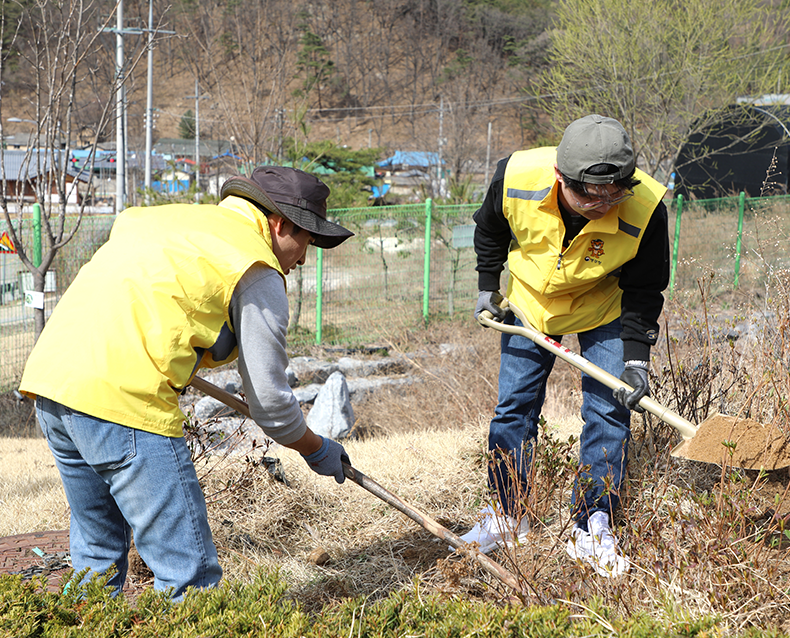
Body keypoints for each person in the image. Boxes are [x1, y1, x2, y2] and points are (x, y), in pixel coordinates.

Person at [19, 166, 355, 598]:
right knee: (189, 580)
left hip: (52, 385)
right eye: (307, 240)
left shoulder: (171, 221)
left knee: (97, 562)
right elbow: (270, 403)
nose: (305, 257)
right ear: (280, 223)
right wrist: (317, 449)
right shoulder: (253, 265)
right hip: (124, 405)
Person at [458, 114, 669, 577]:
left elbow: (645, 289)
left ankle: (593, 523)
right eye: (591, 194)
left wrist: (636, 360)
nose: (605, 203)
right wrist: (485, 287)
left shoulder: (647, 207)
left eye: (616, 192)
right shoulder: (515, 178)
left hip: (603, 306)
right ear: (561, 177)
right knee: (514, 408)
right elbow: (489, 229)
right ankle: (509, 515)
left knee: (610, 411)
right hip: (531, 303)